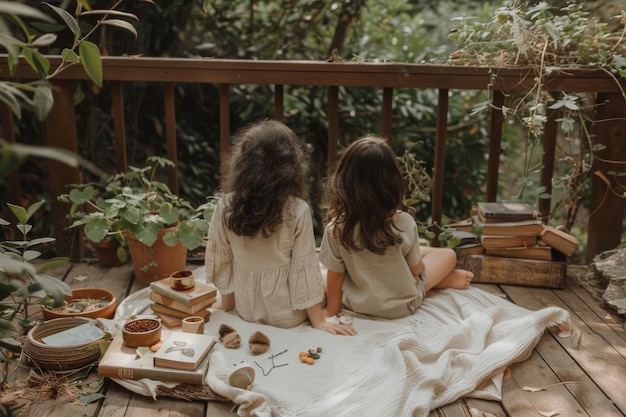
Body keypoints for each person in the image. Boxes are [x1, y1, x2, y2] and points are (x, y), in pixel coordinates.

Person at [205, 120, 356, 336]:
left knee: (319, 271)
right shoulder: (297, 210)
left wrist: (228, 303)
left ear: (242, 164)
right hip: (288, 315)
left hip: (247, 309)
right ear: (289, 167)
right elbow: (302, 268)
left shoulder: (226, 205)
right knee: (322, 272)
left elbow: (223, 259)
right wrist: (320, 322)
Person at [319, 135, 473, 320]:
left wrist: (331, 311)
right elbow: (415, 270)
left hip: (356, 304)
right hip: (402, 305)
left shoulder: (336, 229)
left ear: (343, 180)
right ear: (392, 181)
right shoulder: (404, 222)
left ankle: (423, 275)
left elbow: (335, 276)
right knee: (448, 254)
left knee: (323, 270)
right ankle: (440, 279)